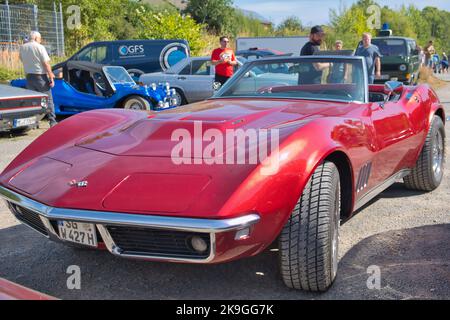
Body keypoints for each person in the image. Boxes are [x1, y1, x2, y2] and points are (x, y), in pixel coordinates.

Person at [19, 31, 57, 127]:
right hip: (40, 77)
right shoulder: (40, 47)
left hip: (29, 77)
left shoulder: (23, 47)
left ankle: (34, 122)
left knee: (33, 101)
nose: (40, 40)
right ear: (36, 38)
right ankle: (52, 121)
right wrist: (51, 75)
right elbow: (46, 63)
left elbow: (21, 59)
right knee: (48, 99)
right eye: (40, 39)